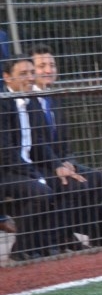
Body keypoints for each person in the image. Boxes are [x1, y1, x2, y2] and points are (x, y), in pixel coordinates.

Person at [29, 44, 102, 244]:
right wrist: (58, 165)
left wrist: (69, 161)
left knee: (97, 178)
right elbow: (36, 142)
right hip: (37, 165)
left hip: (59, 162)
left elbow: (64, 139)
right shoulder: (26, 101)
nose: (49, 70)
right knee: (74, 186)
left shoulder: (54, 98)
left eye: (52, 65)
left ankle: (71, 230)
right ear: (31, 71)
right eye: (42, 66)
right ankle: (54, 239)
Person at [0, 57, 60, 259]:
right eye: (23, 74)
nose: (30, 78)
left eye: (31, 73)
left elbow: (38, 143)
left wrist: (57, 165)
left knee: (66, 184)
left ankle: (49, 242)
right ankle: (21, 249)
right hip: (6, 172)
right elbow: (5, 152)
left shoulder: (31, 101)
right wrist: (34, 174)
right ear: (7, 78)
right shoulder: (3, 104)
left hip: (26, 168)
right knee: (41, 193)